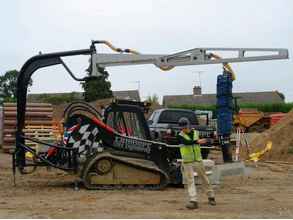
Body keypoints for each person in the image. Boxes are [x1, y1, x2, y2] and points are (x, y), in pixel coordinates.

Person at [177, 117, 216, 209]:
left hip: (197, 160)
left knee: (204, 179)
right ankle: (193, 201)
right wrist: (197, 141)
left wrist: (207, 141)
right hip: (187, 161)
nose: (184, 129)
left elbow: (200, 142)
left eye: (185, 127)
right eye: (182, 128)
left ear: (188, 125)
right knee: (190, 181)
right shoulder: (180, 135)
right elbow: (186, 142)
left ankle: (211, 197)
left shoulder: (196, 133)